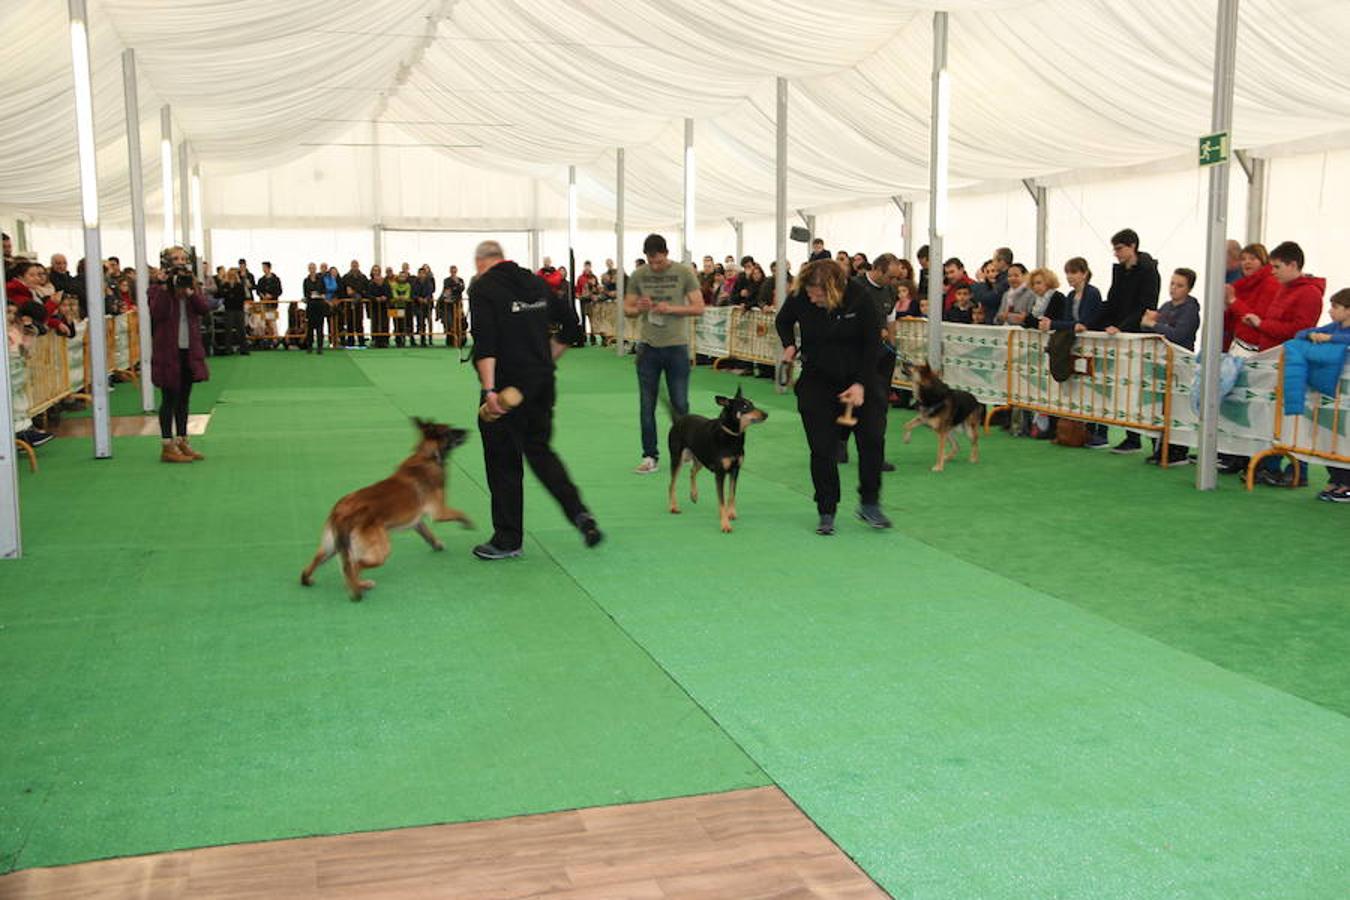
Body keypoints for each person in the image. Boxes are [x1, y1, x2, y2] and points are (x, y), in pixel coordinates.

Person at [469, 240, 602, 559]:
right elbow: (572, 328)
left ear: (480, 263)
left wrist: (489, 392)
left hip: (506, 389)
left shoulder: (482, 287)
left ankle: (508, 539)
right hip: (541, 383)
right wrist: (546, 359)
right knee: (540, 452)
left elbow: (485, 342)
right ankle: (579, 513)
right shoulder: (536, 282)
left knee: (504, 463)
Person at [776, 259, 890, 535]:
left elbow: (873, 344)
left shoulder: (860, 298)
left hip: (861, 378)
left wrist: (861, 384)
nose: (812, 299)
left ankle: (870, 502)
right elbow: (783, 320)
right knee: (822, 448)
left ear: (834, 289)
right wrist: (789, 345)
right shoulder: (801, 294)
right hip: (817, 381)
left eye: (818, 294)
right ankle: (826, 509)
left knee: (872, 440)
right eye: (810, 293)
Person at [624, 233, 705, 474]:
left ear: (667, 254)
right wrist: (638, 308)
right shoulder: (639, 275)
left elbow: (699, 307)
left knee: (680, 403)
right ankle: (650, 456)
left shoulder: (684, 273)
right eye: (651, 262)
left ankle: (687, 446)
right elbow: (627, 309)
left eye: (659, 261)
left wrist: (670, 308)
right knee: (646, 405)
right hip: (648, 348)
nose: (655, 266)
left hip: (677, 346)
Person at [1102, 228, 1161, 452]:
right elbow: (1112, 301)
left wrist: (1122, 326)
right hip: (1120, 335)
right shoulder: (1119, 272)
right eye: (1115, 249)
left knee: (1143, 390)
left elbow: (1146, 306)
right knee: (1125, 388)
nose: (1116, 253)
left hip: (1139, 337)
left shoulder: (1149, 272)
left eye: (1119, 249)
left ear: (1132, 246)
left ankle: (1155, 441)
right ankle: (1133, 436)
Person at [148, 252, 210, 464]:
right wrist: (166, 288)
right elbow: (158, 313)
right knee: (169, 398)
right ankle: (167, 444)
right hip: (168, 349)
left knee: (184, 397)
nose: (180, 263)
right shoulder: (157, 288)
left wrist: (191, 292)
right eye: (176, 260)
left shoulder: (192, 285)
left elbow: (204, 308)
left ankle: (183, 440)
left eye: (183, 259)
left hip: (188, 349)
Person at [1141, 268, 1201, 465]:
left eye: (1180, 285)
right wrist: (1149, 322)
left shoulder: (1191, 310)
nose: (1174, 288)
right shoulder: (1165, 306)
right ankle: (1160, 447)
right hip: (1162, 361)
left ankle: (1178, 450)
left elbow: (1178, 335)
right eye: (1172, 283)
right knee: (1160, 407)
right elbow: (1149, 327)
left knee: (1178, 408)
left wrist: (1153, 324)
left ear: (1189, 288)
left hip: (1181, 364)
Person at [220, 267, 249, 355]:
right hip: (229, 309)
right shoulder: (224, 285)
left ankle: (244, 349)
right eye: (230, 274)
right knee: (228, 330)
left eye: (234, 274)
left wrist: (230, 295)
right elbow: (222, 294)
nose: (232, 276)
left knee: (241, 330)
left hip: (238, 309)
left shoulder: (240, 285)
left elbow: (243, 297)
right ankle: (228, 349)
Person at [341, 259, 369, 346]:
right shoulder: (345, 277)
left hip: (359, 303)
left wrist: (355, 292)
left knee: (359, 322)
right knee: (349, 322)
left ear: (358, 266)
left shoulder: (363, 277)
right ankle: (350, 341)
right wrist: (348, 293)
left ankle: (361, 341)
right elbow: (342, 290)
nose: (354, 267)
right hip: (348, 304)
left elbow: (366, 289)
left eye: (356, 265)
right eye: (353, 265)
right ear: (350, 266)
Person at [302, 262, 328, 354]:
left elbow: (324, 291)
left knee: (320, 327)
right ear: (308, 269)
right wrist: (309, 296)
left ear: (316, 269)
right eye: (310, 268)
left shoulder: (321, 280)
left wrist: (319, 295)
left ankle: (320, 347)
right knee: (310, 328)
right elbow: (305, 293)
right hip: (310, 306)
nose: (312, 269)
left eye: (313, 268)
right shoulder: (306, 280)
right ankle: (309, 347)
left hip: (320, 305)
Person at [256, 261, 282, 349]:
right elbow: (258, 290)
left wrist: (271, 296)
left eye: (264, 267)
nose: (263, 269)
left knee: (272, 321)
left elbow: (279, 291)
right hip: (263, 303)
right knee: (263, 321)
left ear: (269, 268)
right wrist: (262, 295)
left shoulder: (276, 279)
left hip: (272, 304)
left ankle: (275, 339)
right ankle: (265, 339)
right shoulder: (261, 280)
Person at [440, 264, 466, 347]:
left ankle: (461, 340)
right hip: (448, 305)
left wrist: (455, 288)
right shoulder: (446, 280)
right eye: (452, 270)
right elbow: (448, 289)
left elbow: (462, 289)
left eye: (454, 270)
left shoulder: (460, 279)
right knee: (450, 322)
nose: (453, 271)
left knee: (460, 321)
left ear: (456, 270)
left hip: (458, 303)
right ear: (450, 271)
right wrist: (456, 287)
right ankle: (450, 340)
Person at [365, 266, 391, 348]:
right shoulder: (370, 283)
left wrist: (385, 297)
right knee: (375, 323)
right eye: (374, 270)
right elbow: (368, 294)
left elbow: (389, 294)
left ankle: (385, 341)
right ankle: (375, 340)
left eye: (377, 270)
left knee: (385, 323)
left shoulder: (385, 282)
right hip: (374, 306)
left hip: (384, 307)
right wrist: (375, 298)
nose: (376, 272)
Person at [413, 264, 436, 347]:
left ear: (426, 274)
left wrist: (426, 298)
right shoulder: (415, 282)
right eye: (420, 273)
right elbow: (413, 293)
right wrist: (418, 298)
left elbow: (431, 291)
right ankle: (422, 340)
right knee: (421, 322)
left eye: (423, 273)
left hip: (428, 305)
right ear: (418, 274)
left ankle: (430, 339)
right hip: (418, 305)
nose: (422, 275)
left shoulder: (429, 282)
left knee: (429, 321)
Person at [389, 270, 412, 347]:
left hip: (404, 307)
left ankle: (403, 340)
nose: (402, 278)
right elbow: (394, 293)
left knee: (403, 324)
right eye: (401, 276)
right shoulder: (393, 284)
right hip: (394, 307)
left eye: (404, 276)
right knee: (396, 324)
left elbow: (407, 295)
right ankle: (397, 340)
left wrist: (403, 298)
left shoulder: (408, 285)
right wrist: (398, 298)